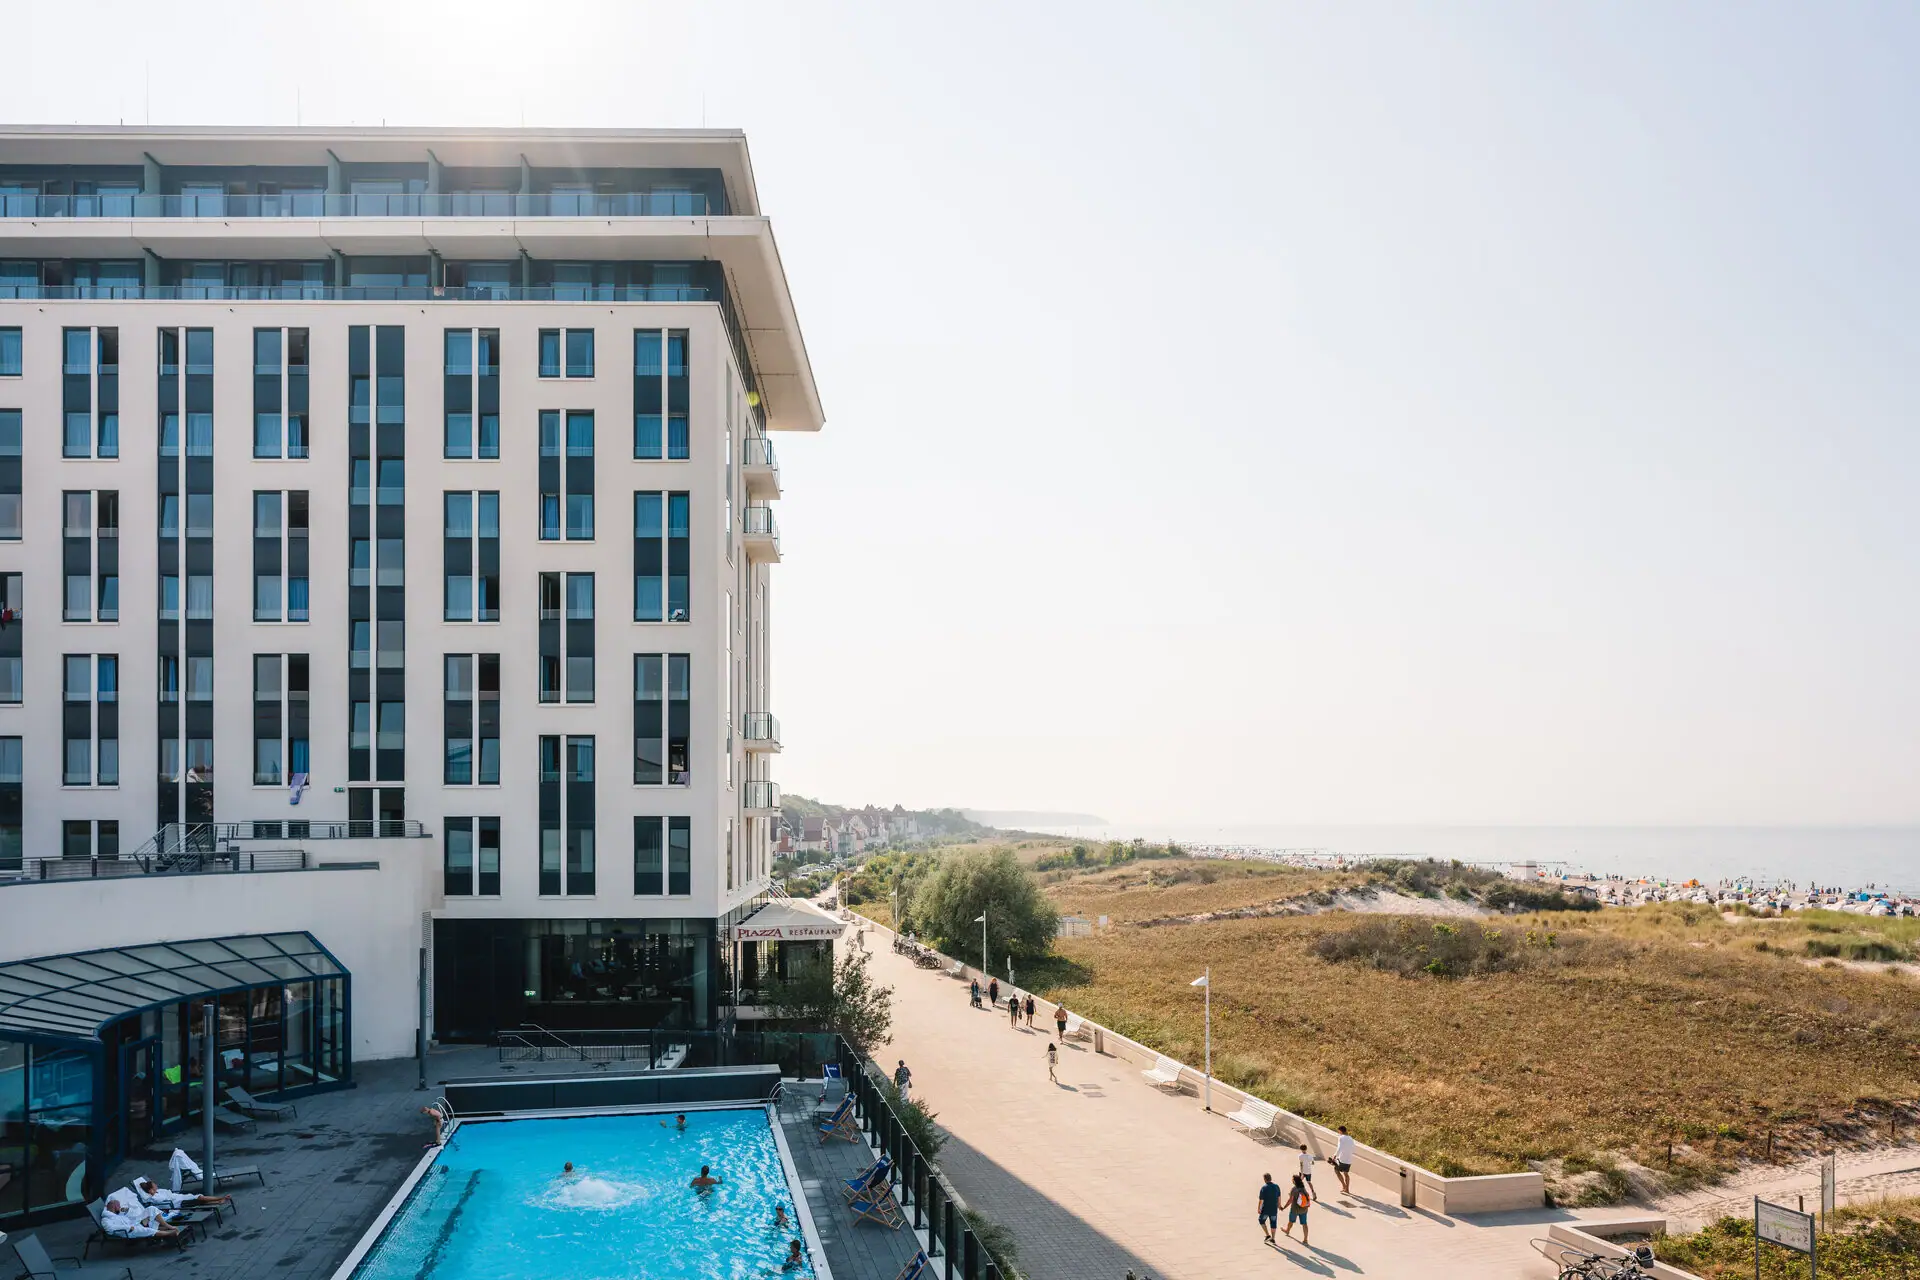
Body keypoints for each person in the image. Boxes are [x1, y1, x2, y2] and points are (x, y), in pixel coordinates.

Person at [103, 1195, 188, 1243]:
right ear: (113, 1207)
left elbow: (132, 1216)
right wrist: (128, 1228)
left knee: (151, 1209)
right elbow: (109, 1229)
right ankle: (169, 1233)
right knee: (148, 1231)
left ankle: (167, 1227)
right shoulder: (106, 1219)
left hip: (135, 1222)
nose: (120, 1207)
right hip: (130, 1231)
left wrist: (127, 1210)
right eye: (118, 1205)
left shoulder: (118, 1214)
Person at [134, 1177, 232, 1214]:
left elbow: (169, 1193)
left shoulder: (159, 1191)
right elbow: (165, 1199)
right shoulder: (154, 1197)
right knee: (200, 1198)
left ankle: (219, 1201)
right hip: (178, 1203)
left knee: (199, 1198)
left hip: (180, 1198)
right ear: (151, 1189)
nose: (156, 1185)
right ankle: (221, 1198)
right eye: (154, 1185)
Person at [1281, 1173, 1310, 1246]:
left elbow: (1290, 1200)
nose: (1292, 1180)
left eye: (1292, 1179)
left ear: (1294, 1181)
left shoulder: (1294, 1189)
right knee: (1304, 1224)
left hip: (1295, 1209)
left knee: (1291, 1221)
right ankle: (1305, 1239)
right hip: (1304, 1209)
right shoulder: (1303, 1188)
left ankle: (1287, 1231)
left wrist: (1284, 1207)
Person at [1256, 1173, 1281, 1245]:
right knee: (1273, 1223)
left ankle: (1267, 1235)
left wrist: (1259, 1208)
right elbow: (1279, 1197)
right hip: (1274, 1209)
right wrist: (1279, 1205)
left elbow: (1261, 1200)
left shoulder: (1264, 1188)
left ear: (1265, 1179)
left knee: (1261, 1220)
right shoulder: (1276, 1187)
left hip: (1266, 1209)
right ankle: (1273, 1238)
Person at [1332, 1126, 1356, 1195]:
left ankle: (1344, 1186)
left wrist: (1335, 1155)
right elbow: (1353, 1148)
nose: (1338, 1133)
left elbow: (1339, 1147)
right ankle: (1347, 1189)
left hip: (1342, 1159)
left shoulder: (1341, 1137)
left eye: (1338, 1131)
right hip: (1349, 1160)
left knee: (1336, 1171)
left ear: (1340, 1131)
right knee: (1346, 1174)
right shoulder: (1351, 1138)